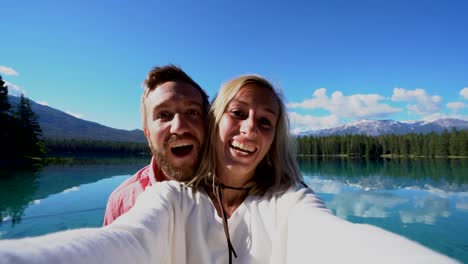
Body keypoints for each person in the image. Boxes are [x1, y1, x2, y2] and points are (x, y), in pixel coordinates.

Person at [0, 75, 459, 264]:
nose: (249, 130)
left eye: (265, 122)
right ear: (216, 117)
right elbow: (124, 241)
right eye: (237, 114)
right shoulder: (169, 197)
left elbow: (336, 240)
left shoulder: (289, 200)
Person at [103, 64, 209, 225]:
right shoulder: (122, 204)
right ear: (147, 134)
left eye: (192, 112)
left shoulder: (236, 191)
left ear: (208, 125)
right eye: (164, 115)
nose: (179, 127)